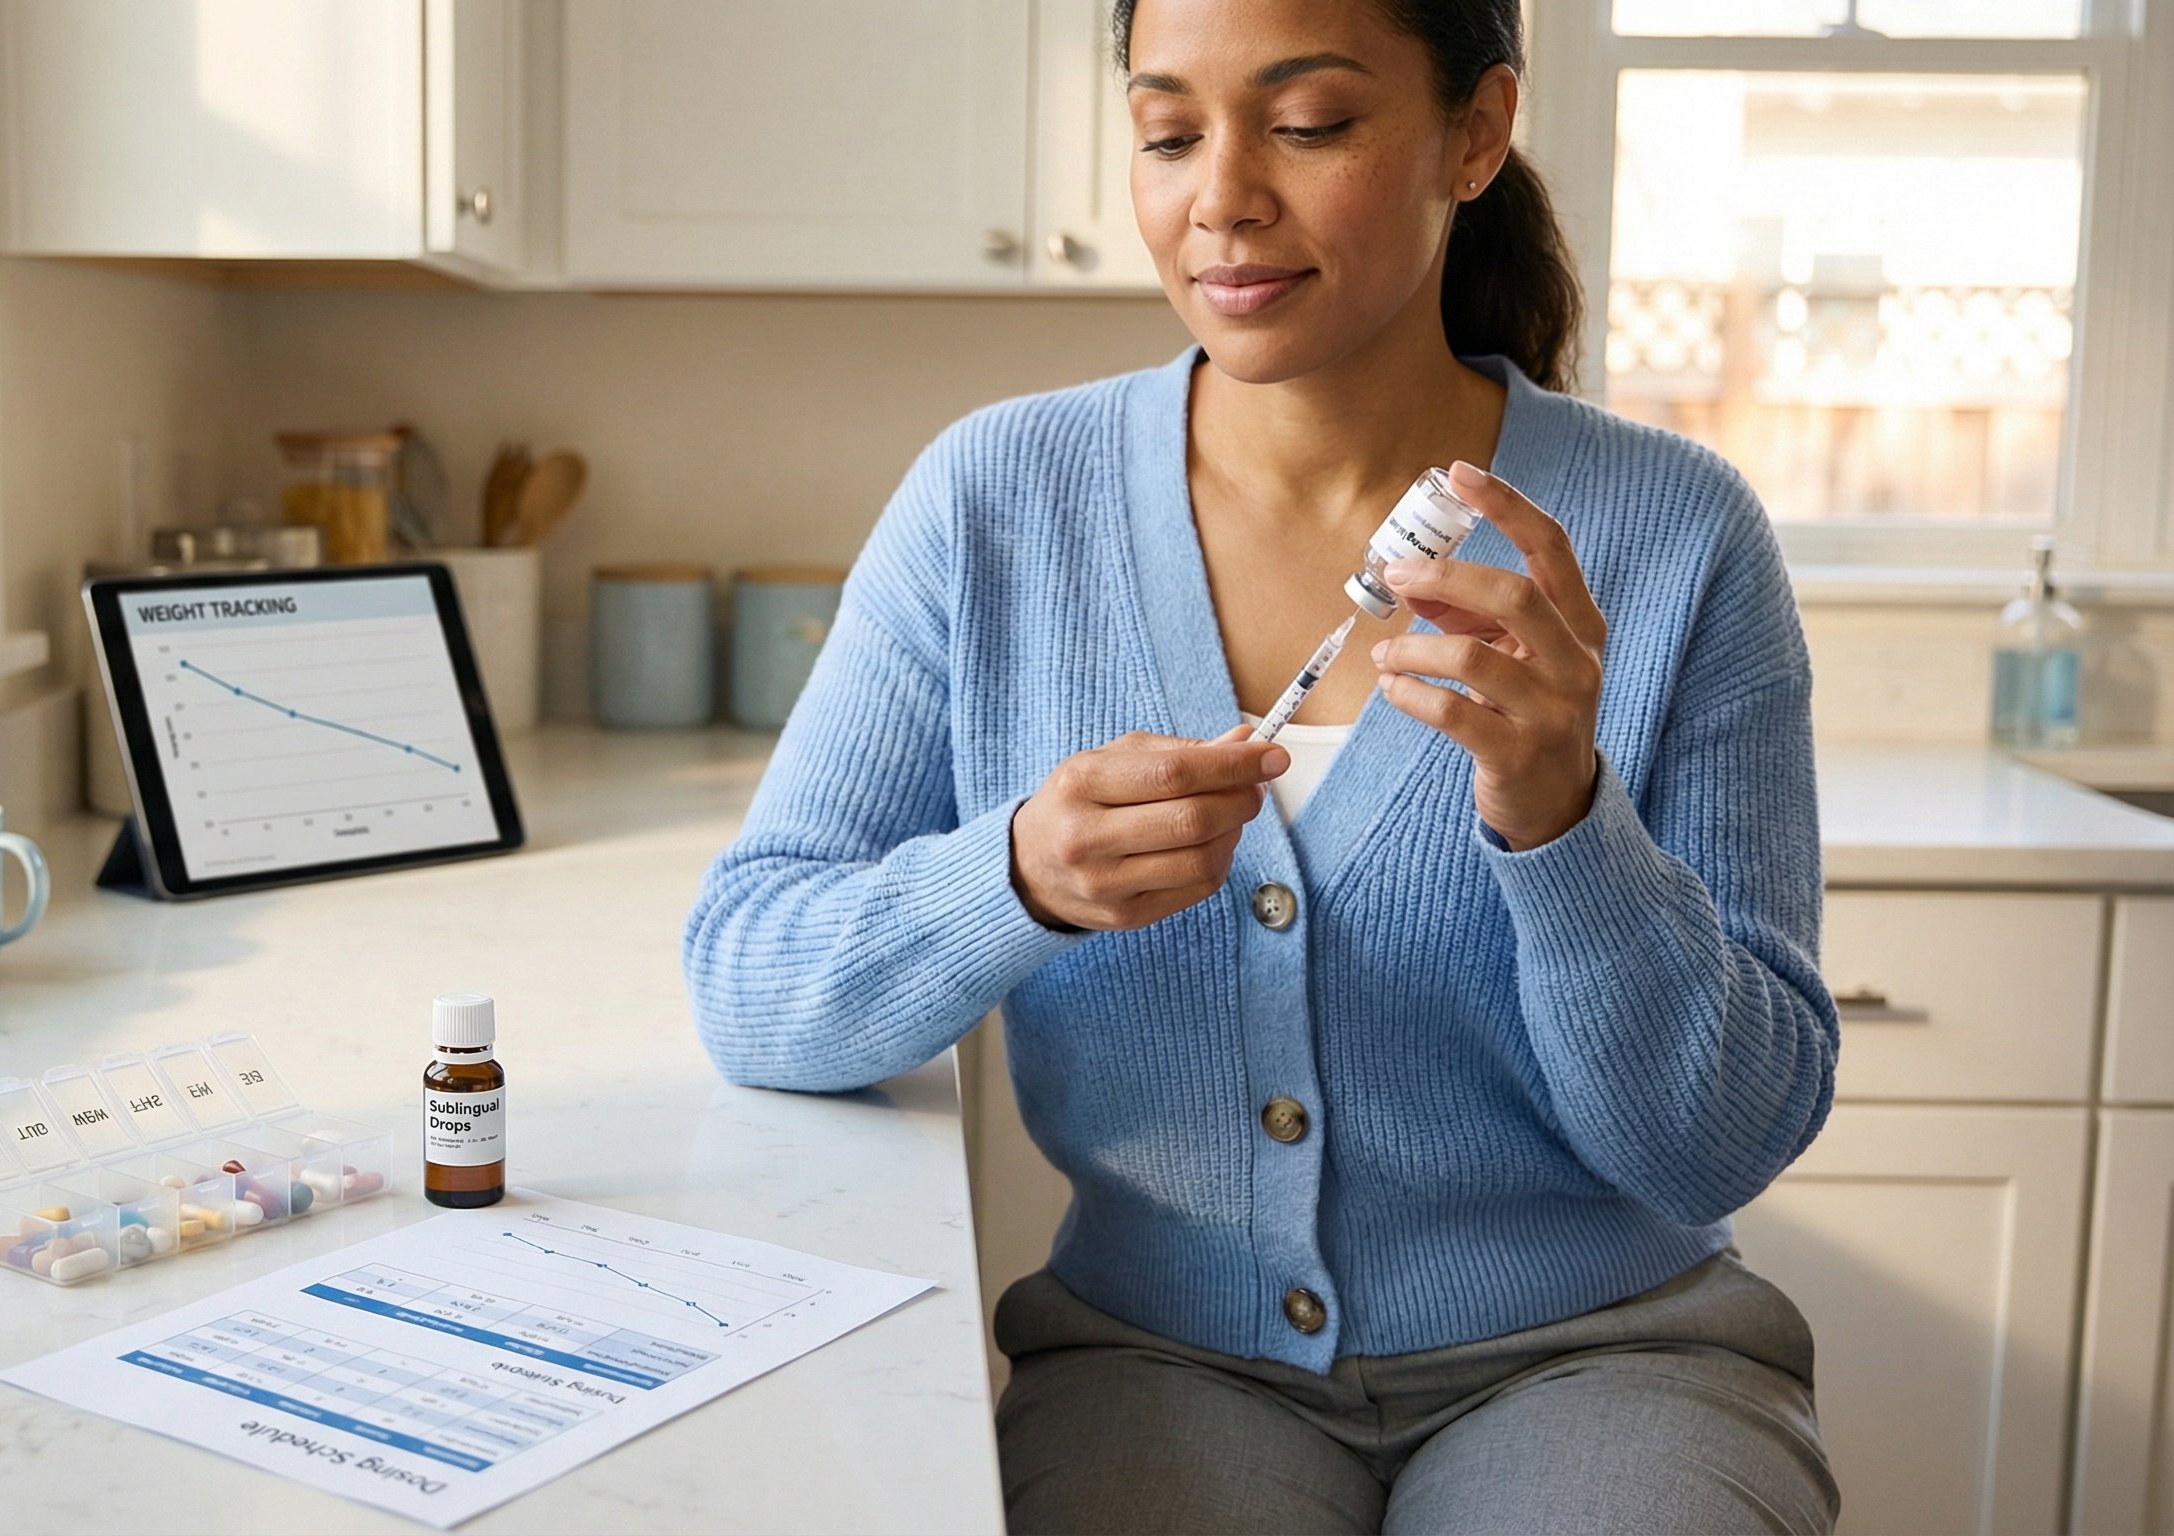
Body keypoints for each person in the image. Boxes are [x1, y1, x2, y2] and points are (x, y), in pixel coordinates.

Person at [682, 0, 1841, 1531]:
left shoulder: (1679, 535)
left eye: (1307, 125)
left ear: (1475, 133)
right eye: (1168, 133)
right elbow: (751, 979)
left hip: (1605, 1371)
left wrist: (1568, 830)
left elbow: (1719, 1143)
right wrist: (1013, 875)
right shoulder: (996, 502)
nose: (1219, 195)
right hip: (1158, 1370)